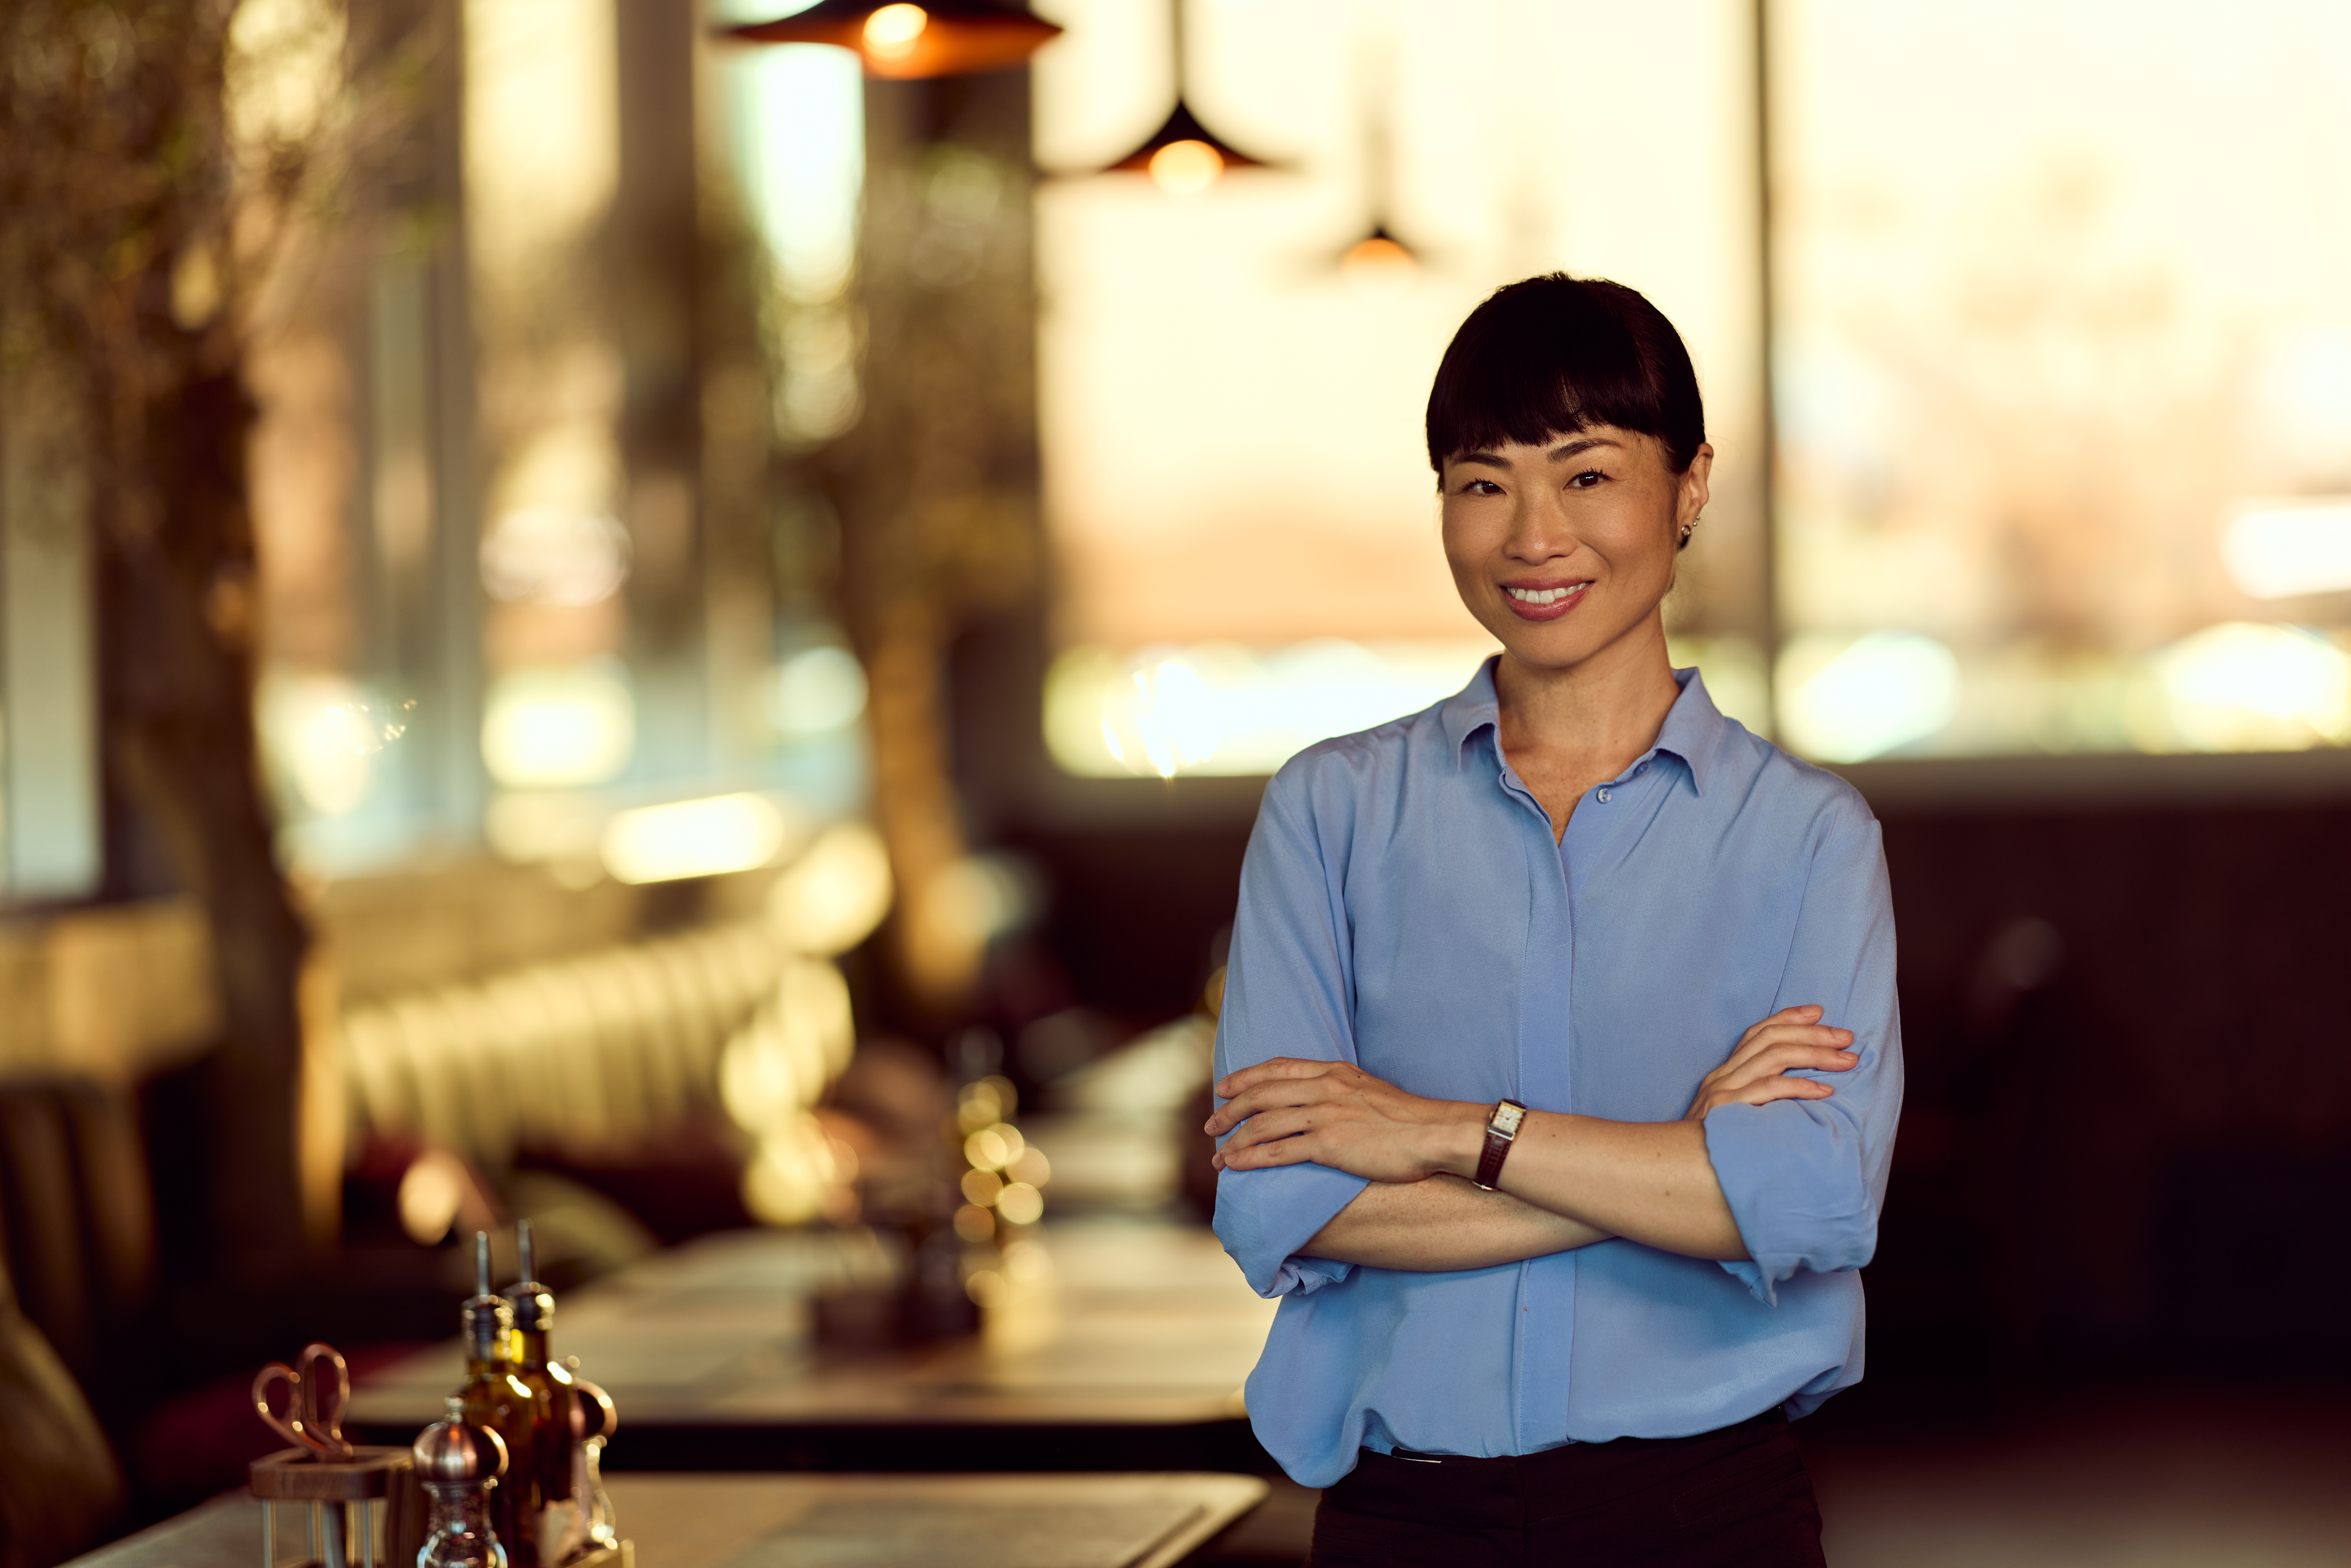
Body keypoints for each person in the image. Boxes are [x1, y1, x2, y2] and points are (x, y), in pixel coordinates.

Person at [1204, 274, 1902, 1567]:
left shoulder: (1807, 838)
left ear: (1689, 487)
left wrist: (1436, 1133)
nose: (1532, 534)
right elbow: (1282, 1200)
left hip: (1710, 1517)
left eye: (1586, 475)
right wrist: (1684, 1162)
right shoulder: (1330, 813)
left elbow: (1811, 1201)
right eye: (1483, 482)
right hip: (1407, 1519)